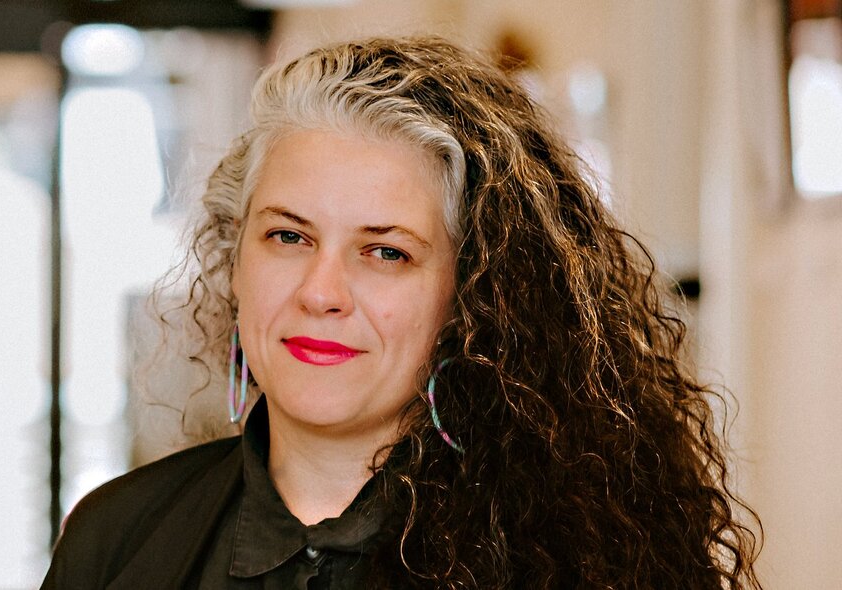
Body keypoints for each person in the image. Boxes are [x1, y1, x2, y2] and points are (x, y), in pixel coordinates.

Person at [41, 36, 761, 589]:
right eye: (288, 237)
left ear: (474, 294)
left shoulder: (583, 554)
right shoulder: (117, 539)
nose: (321, 291)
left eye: (385, 253)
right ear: (235, 259)